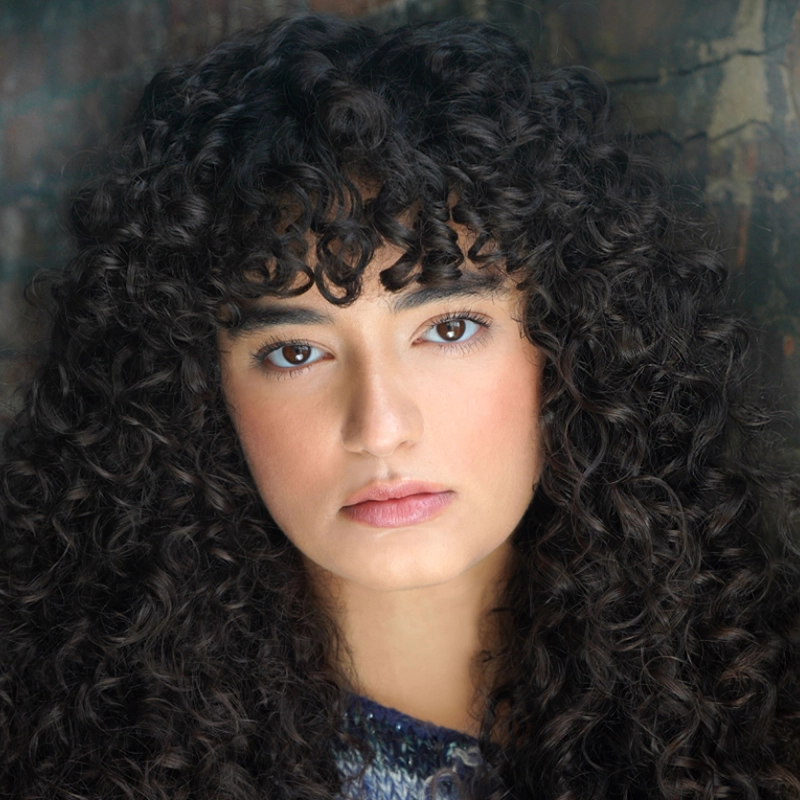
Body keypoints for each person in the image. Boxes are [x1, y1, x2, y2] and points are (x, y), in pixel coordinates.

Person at [1, 12, 799, 800]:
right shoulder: (59, 754)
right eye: (295, 352)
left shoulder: (764, 721)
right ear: (197, 390)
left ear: (574, 342)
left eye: (449, 328)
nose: (380, 428)